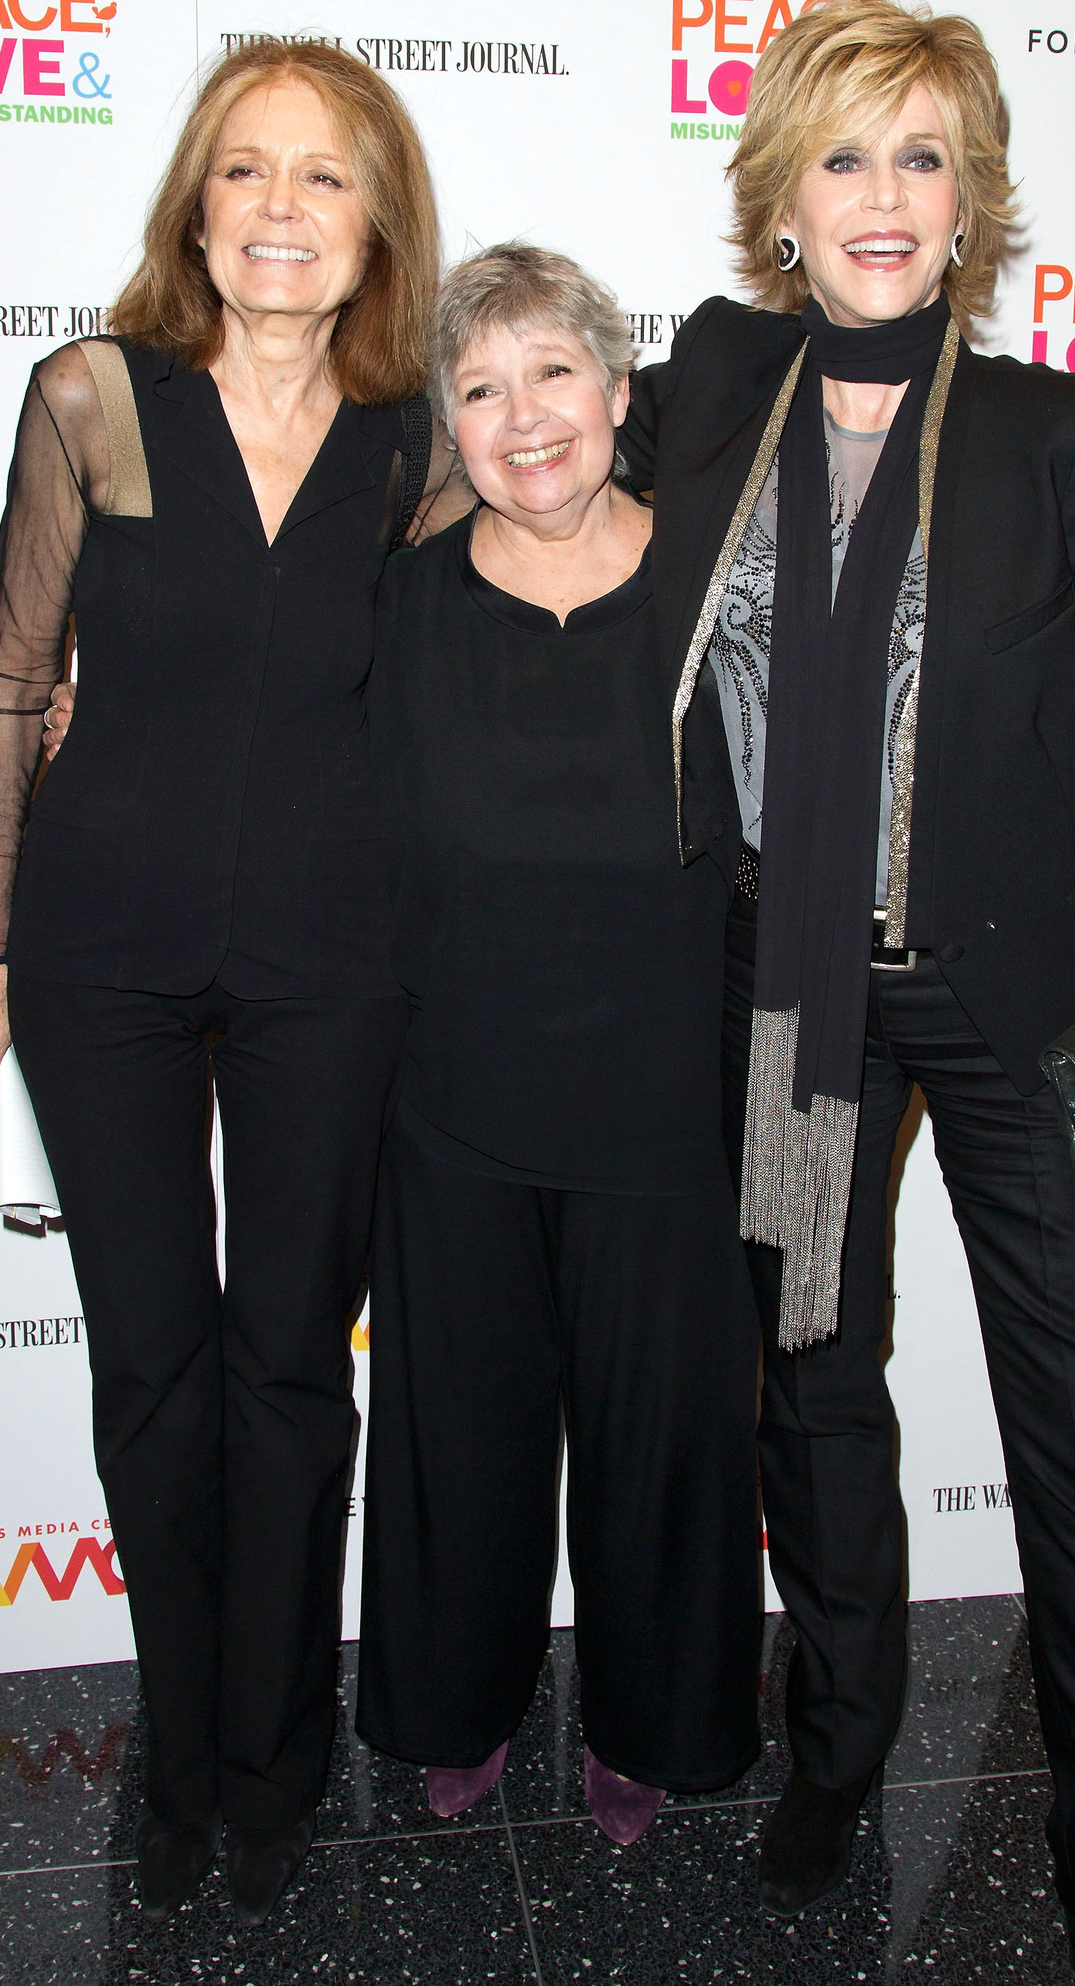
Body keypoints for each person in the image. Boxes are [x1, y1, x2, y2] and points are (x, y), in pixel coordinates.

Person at [617, 0, 1075, 1986]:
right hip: (789, 1006)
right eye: (842, 154)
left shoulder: (1068, 431)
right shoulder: (707, 386)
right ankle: (837, 1748)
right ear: (778, 196)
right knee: (809, 1385)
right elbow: (504, 484)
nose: (882, 196)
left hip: (1031, 1009)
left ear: (965, 195)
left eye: (921, 154)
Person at [0, 40, 443, 1928]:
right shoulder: (92, 395)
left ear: (374, 213)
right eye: (248, 172)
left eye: (326, 177)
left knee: (287, 1370)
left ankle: (277, 1762)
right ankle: (177, 1766)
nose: (283, 211)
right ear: (194, 199)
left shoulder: (414, 436)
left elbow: (456, 680)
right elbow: (13, 672)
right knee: (154, 1368)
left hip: (340, 954)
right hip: (104, 952)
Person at [354, 244, 763, 1843]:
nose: (523, 419)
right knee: (461, 1431)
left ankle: (653, 1726)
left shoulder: (722, 591)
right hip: (450, 1099)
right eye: (478, 387)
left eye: (551, 375)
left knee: (667, 1445)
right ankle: (454, 1706)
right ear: (447, 426)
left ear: (615, 389)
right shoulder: (393, 608)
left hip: (669, 1108)